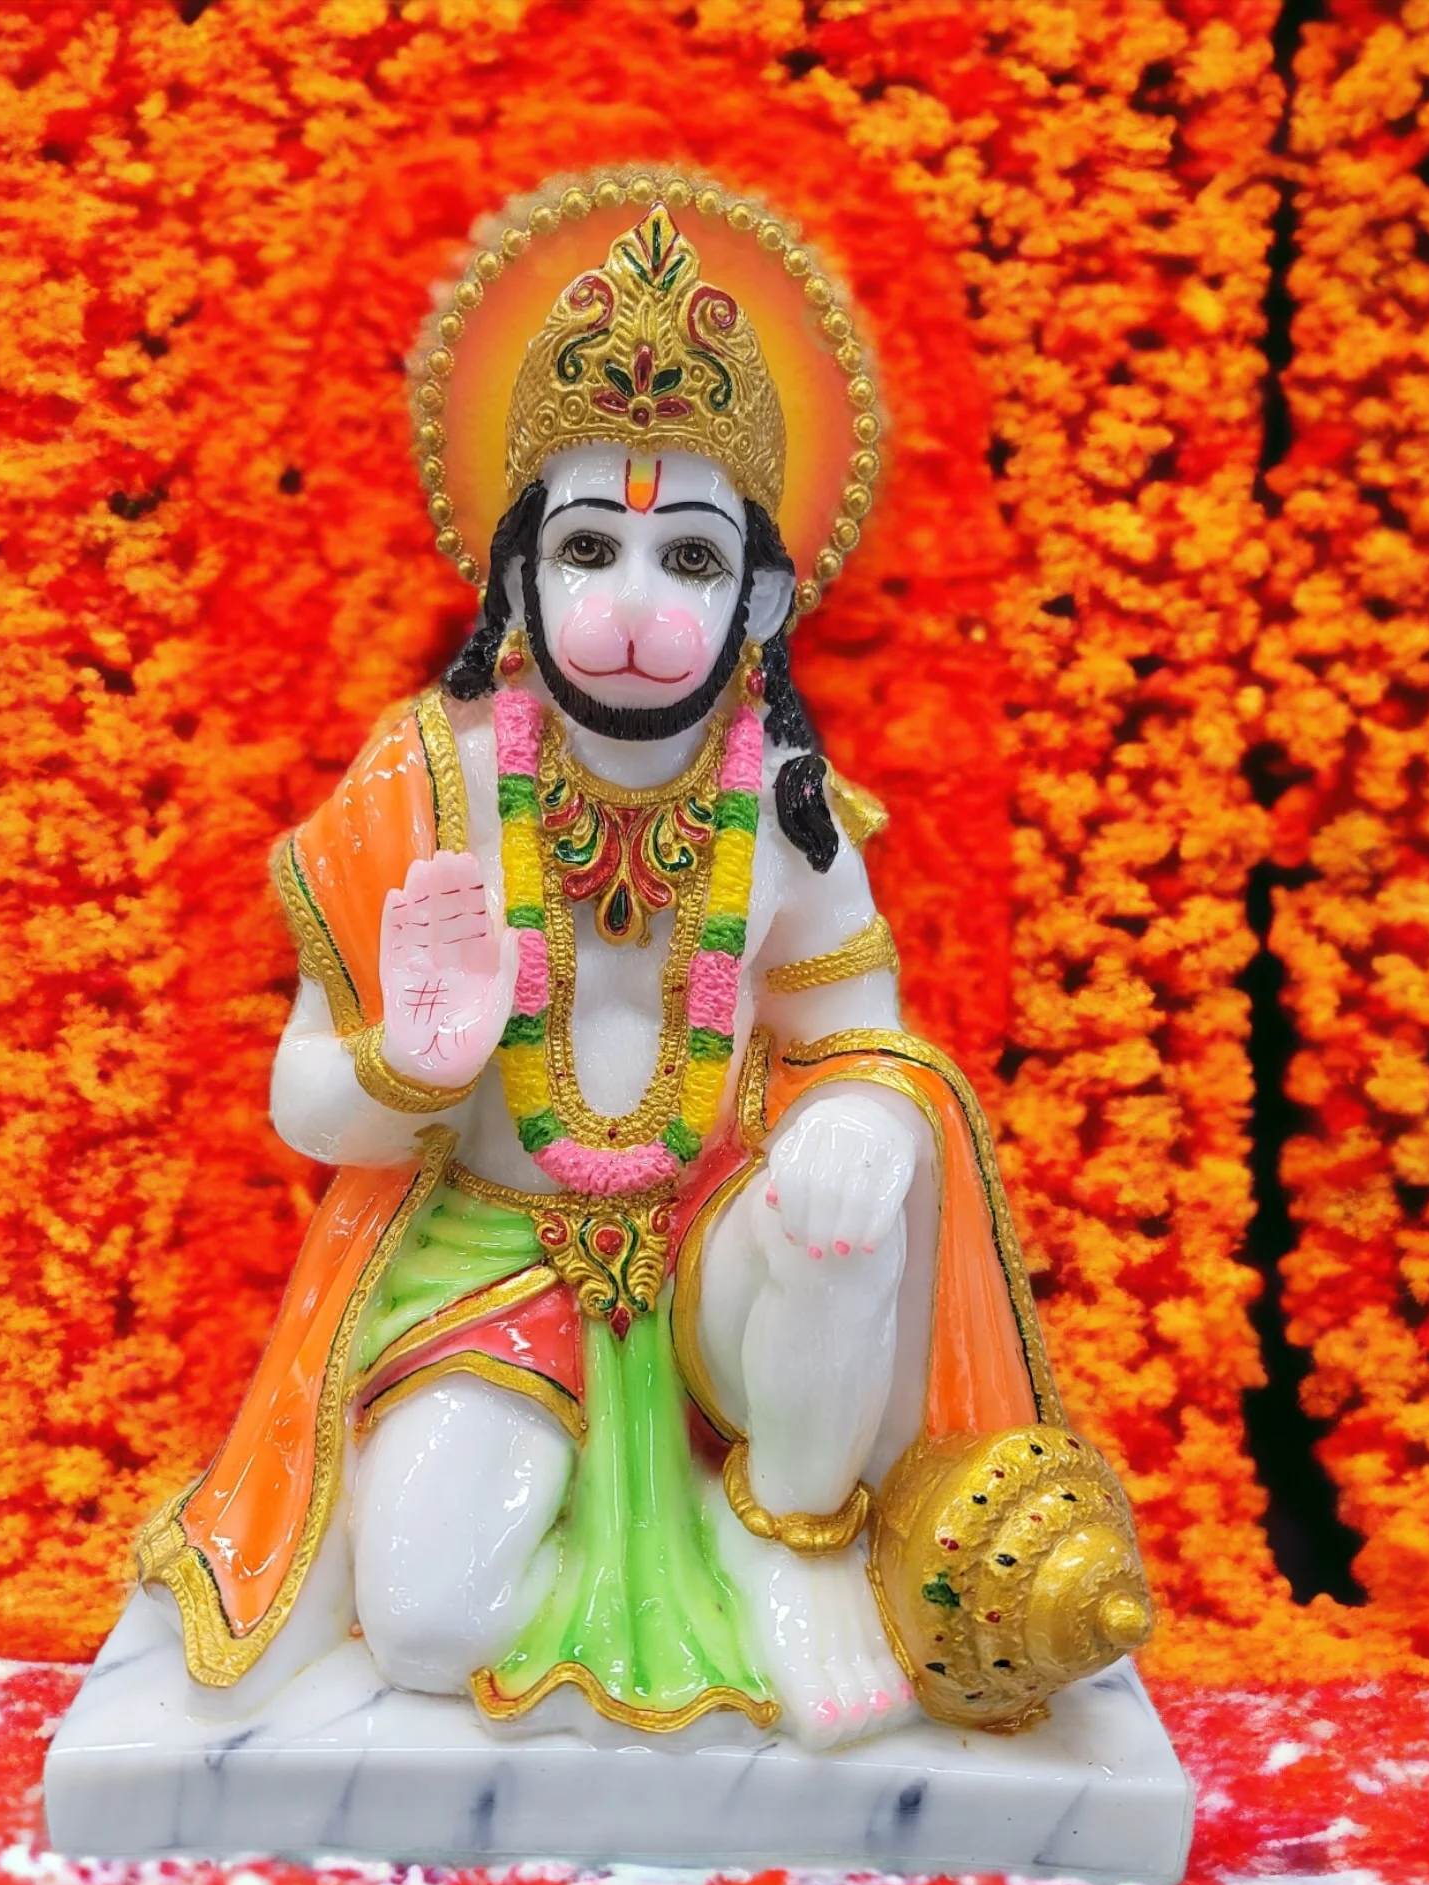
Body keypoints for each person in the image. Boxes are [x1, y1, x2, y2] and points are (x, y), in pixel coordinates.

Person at [134, 181, 1150, 1748]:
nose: (626, 606)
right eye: (587, 545)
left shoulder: (789, 813)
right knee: (422, 1629)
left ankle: (790, 1538)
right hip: (486, 1261)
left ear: (756, 599)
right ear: (516, 578)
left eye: (686, 561)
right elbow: (303, 1110)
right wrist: (414, 1059)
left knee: (844, 1201)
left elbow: (872, 1044)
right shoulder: (432, 787)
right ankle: (579, 1552)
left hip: (718, 1273)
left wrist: (861, 1129)